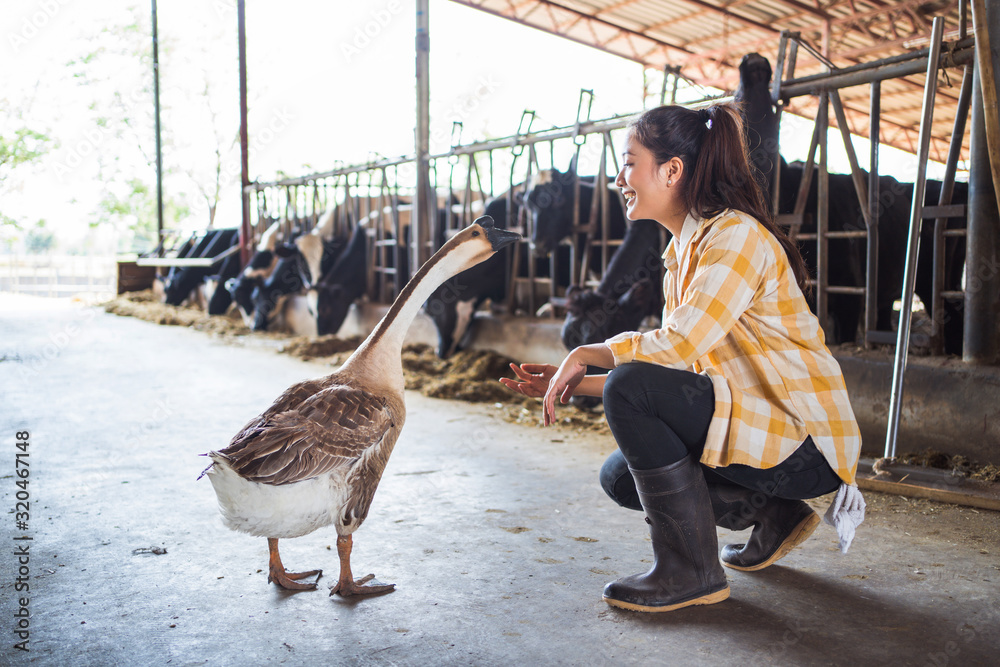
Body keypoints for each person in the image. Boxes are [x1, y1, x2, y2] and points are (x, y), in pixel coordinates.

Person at [500, 103, 865, 614]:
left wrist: (587, 353)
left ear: (671, 171)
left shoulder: (735, 236)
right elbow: (678, 380)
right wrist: (568, 383)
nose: (619, 177)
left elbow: (677, 346)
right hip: (761, 428)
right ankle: (776, 515)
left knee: (630, 388)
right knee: (621, 477)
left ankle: (690, 571)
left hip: (805, 443)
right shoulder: (683, 253)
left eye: (629, 163)